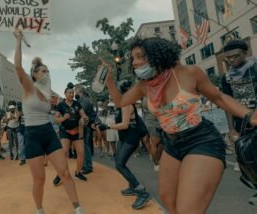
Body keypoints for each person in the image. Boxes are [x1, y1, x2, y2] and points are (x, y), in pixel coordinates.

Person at [103, 37, 257, 213]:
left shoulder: (188, 73)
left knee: (188, 210)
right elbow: (121, 101)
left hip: (202, 140)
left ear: (157, 55)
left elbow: (219, 97)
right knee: (169, 200)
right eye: (134, 58)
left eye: (141, 57)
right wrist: (108, 82)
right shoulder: (143, 86)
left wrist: (250, 115)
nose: (136, 62)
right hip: (172, 144)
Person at [13, 29, 84, 214]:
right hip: (32, 135)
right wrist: (19, 41)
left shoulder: (49, 94)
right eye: (43, 71)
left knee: (65, 173)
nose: (47, 73)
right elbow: (18, 68)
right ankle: (40, 210)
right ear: (35, 74)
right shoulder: (30, 87)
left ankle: (78, 208)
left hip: (48, 132)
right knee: (40, 179)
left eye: (48, 70)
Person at [99, 80, 151, 209]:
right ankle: (132, 187)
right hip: (124, 137)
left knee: (120, 165)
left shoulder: (126, 104)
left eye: (114, 92)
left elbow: (125, 124)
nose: (111, 95)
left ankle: (141, 191)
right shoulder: (119, 104)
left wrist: (107, 126)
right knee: (118, 161)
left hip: (131, 137)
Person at [220, 39, 257, 206]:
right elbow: (227, 104)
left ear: (245, 53)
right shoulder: (226, 78)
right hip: (242, 125)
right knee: (248, 159)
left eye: (235, 56)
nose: (231, 60)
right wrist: (231, 129)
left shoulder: (255, 69)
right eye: (228, 58)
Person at [53, 83, 88, 186]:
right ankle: (60, 174)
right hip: (65, 131)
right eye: (69, 93)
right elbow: (55, 119)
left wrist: (85, 118)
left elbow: (83, 115)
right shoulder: (61, 105)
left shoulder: (77, 104)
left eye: (72, 93)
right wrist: (63, 118)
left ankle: (78, 172)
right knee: (64, 153)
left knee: (81, 153)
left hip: (77, 131)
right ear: (65, 94)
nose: (71, 94)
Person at [74, 85, 95, 174]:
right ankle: (85, 165)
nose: (75, 93)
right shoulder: (81, 100)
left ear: (81, 91)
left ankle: (88, 166)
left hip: (85, 127)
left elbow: (78, 112)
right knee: (83, 146)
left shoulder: (85, 100)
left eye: (76, 91)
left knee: (85, 147)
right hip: (82, 126)